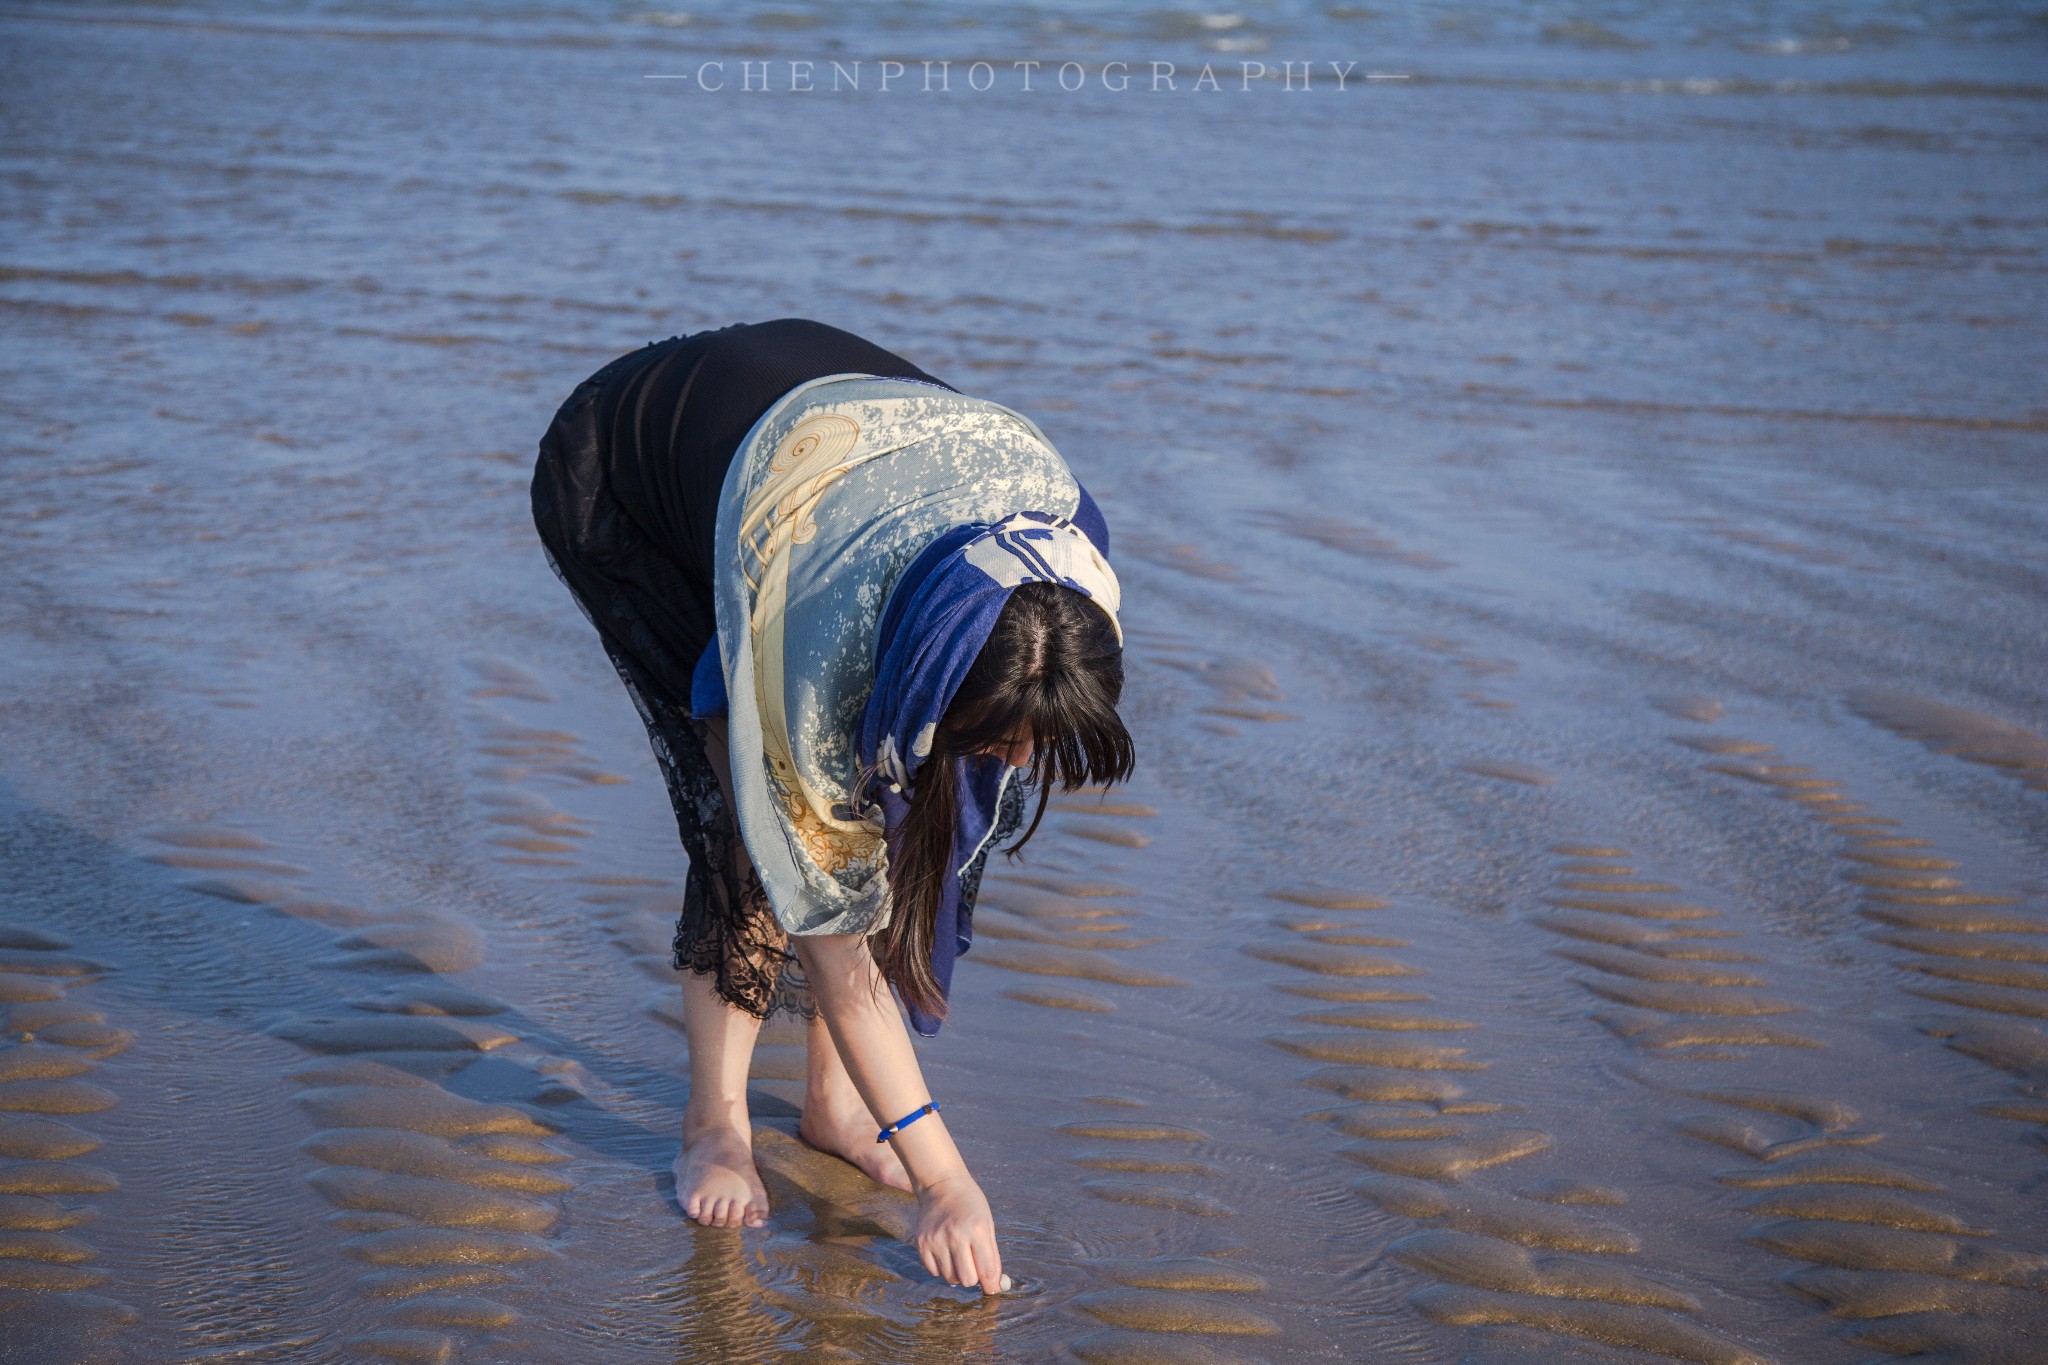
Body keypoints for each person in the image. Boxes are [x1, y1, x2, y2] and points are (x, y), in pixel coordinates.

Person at [530, 319, 1133, 1296]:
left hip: (847, 468)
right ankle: (714, 1122)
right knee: (753, 840)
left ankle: (834, 1108)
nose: (1018, 764)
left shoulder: (1071, 577)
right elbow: (836, 944)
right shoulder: (809, 652)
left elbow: (948, 808)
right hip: (629, 471)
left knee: (906, 821)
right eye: (1001, 741)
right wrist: (945, 1178)